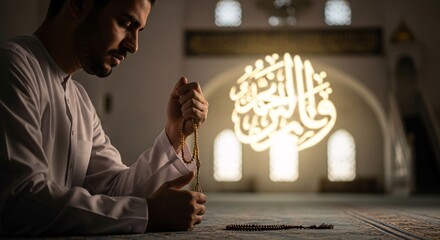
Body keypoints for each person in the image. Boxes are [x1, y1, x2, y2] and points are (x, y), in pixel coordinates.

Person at [0, 0, 209, 235]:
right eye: (125, 23)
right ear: (78, 5)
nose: (134, 45)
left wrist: (174, 132)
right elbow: (19, 201)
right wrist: (147, 213)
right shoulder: (12, 66)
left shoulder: (78, 99)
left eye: (138, 31)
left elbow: (115, 190)